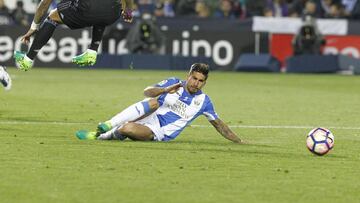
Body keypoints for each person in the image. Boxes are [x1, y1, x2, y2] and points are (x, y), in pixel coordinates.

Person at [76, 63, 242, 143]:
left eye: (200, 81)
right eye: (194, 78)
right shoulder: (173, 82)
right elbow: (147, 92)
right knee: (154, 101)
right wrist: (164, 90)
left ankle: (102, 136)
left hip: (158, 131)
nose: (196, 83)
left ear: (204, 83)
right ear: (188, 75)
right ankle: (107, 125)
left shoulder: (204, 101)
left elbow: (220, 126)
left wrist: (240, 141)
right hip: (147, 116)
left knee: (127, 128)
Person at [13, 0, 134, 71]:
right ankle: (92, 51)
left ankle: (28, 59)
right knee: (103, 9)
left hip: (87, 10)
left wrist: (34, 27)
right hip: (113, 13)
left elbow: (44, 4)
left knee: (53, 15)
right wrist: (128, 11)